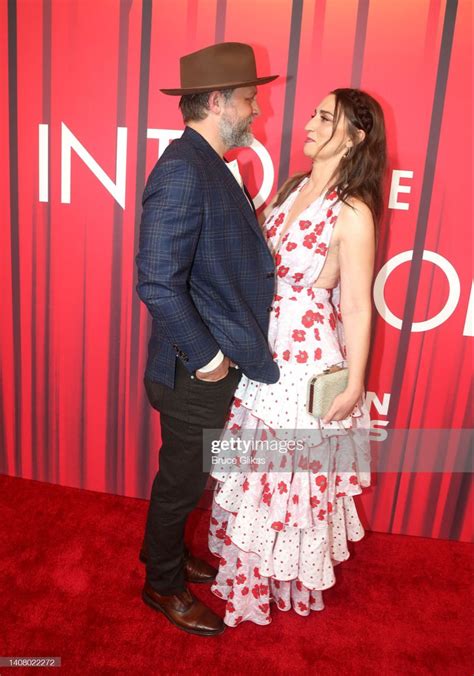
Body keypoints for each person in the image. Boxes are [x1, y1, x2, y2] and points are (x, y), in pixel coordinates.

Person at [208, 88, 387, 626]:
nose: (309, 122)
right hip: (264, 349)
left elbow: (355, 306)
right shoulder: (293, 187)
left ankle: (265, 580)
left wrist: (355, 384)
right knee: (256, 468)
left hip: (305, 358)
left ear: (355, 137)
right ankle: (247, 570)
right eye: (313, 112)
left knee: (283, 477)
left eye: (324, 117)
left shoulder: (352, 211)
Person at [135, 42, 280, 636]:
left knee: (190, 478)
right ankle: (161, 584)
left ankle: (167, 559)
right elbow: (156, 281)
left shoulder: (213, 162)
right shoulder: (181, 169)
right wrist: (210, 360)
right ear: (218, 101)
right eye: (249, 99)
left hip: (214, 365)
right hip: (195, 372)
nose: (257, 111)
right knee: (181, 483)